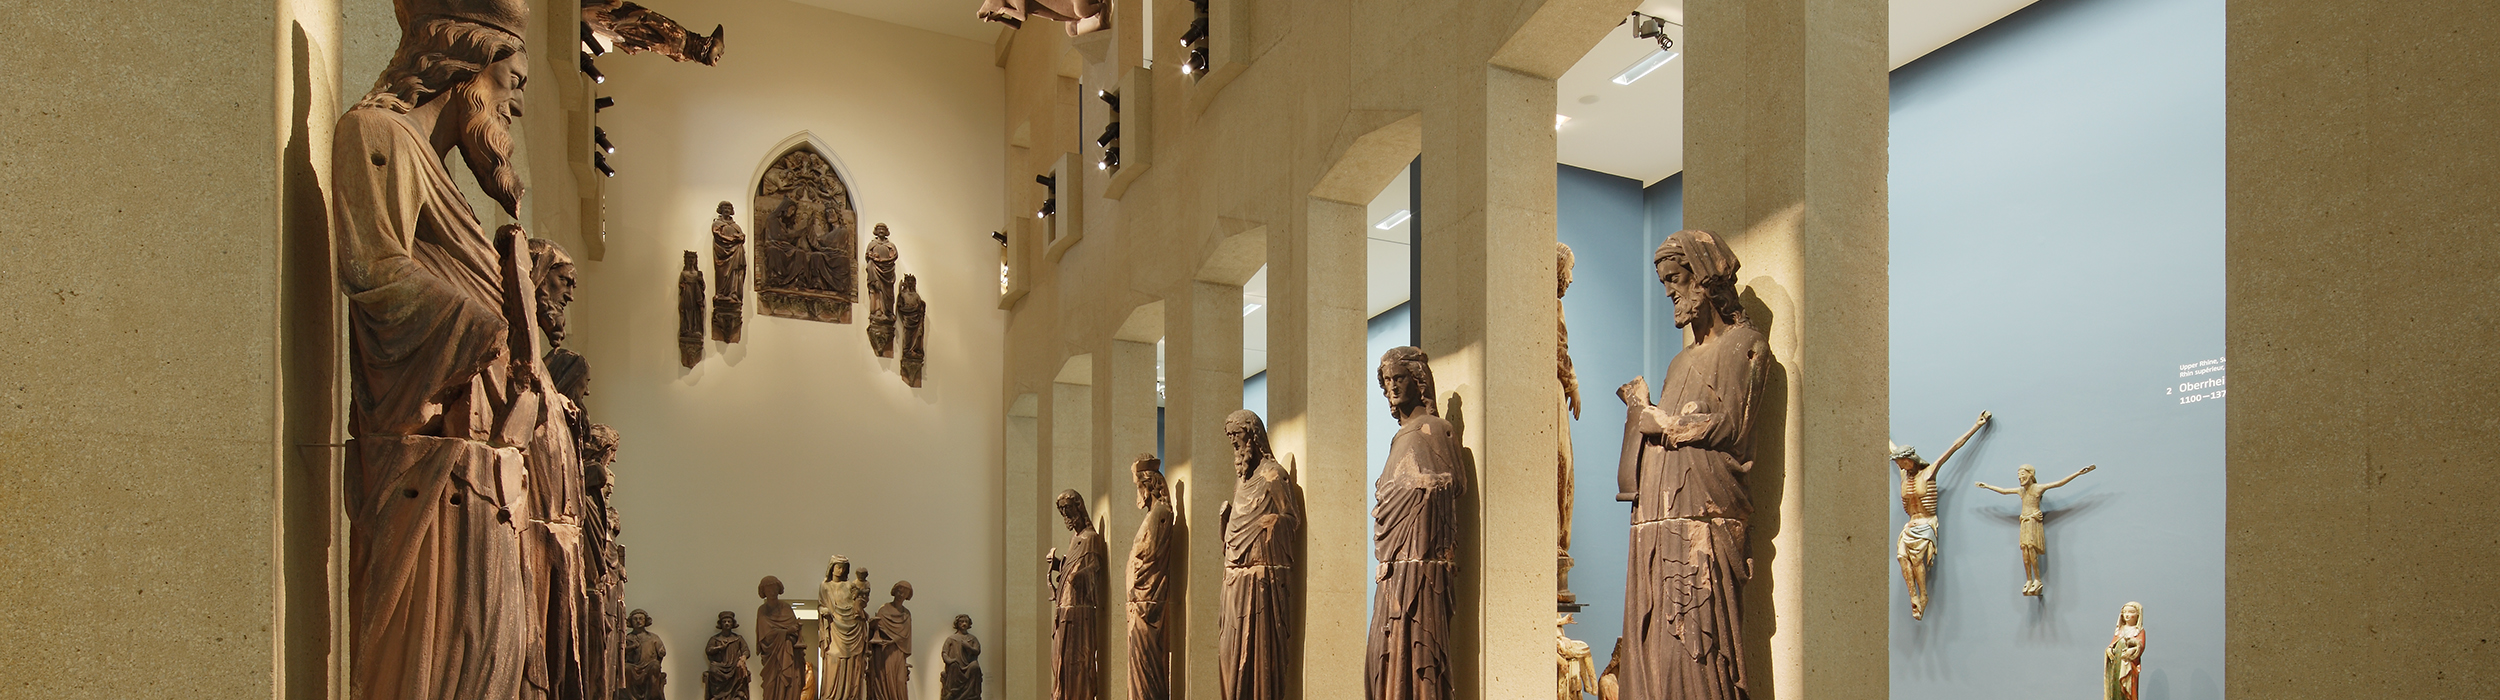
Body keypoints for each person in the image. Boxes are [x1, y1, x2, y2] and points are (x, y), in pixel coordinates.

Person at [329, 3, 547, 698]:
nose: (516, 105)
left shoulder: (441, 176)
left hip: (479, 477)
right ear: (466, 67)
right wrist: (487, 329)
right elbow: (374, 270)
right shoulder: (377, 134)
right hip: (427, 470)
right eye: (512, 82)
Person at [1614, 230, 1769, 700]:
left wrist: (1664, 423)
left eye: (1675, 279)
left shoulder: (1744, 345)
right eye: (1664, 282)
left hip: (1704, 515)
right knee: (1658, 647)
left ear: (1704, 278)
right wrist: (1641, 414)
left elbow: (1732, 426)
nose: (1669, 292)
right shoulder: (1679, 363)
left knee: (1697, 646)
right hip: (1657, 518)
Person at [1365, 348, 1461, 700]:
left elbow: (1454, 483)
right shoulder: (1401, 437)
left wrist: (1419, 486)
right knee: (1382, 654)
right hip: (1393, 566)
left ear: (1418, 381)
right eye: (1387, 380)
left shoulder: (1436, 429)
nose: (1392, 387)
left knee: (1418, 650)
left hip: (1422, 567)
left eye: (1399, 378)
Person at [1219, 410, 1300, 700]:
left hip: (1261, 585)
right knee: (1229, 654)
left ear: (1253, 435)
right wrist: (1226, 521)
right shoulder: (1242, 481)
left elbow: (1292, 519)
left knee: (1256, 657)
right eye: (1230, 437)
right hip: (1234, 581)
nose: (1234, 443)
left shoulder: (1273, 475)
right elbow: (1232, 538)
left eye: (1237, 435)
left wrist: (1274, 521)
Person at [1889, 411, 1991, 618]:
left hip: (1926, 523)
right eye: (1898, 463)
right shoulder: (1903, 475)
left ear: (1910, 459)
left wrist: (1977, 426)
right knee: (1901, 557)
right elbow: (1890, 447)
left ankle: (1923, 596)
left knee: (1917, 561)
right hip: (1910, 525)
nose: (1900, 466)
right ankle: (1913, 597)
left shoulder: (1929, 472)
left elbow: (1954, 448)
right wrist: (1882, 429)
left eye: (1902, 462)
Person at [1976, 463, 2097, 596]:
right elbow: (2004, 491)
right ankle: (2029, 579)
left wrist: (2078, 473)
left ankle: (2037, 579)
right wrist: (1987, 486)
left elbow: (2059, 483)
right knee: (2025, 551)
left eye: (2022, 474)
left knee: (2031, 547)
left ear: (2030, 475)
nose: (2020, 478)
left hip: (2033, 521)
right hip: (2024, 521)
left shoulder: (2037, 488)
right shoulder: (2021, 491)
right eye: (2018, 476)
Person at [1047, 490, 1106, 700]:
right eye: (1062, 509)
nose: (1066, 513)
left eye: (1068, 508)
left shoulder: (1090, 538)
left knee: (1076, 660)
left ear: (1079, 507)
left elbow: (1094, 567)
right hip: (1065, 607)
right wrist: (1057, 565)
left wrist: (1078, 576)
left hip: (1079, 611)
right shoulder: (1075, 539)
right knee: (1060, 661)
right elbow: (1071, 566)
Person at [1128, 455, 1176, 700]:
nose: (1138, 493)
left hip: (1149, 601)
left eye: (1139, 486)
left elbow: (1151, 553)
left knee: (1148, 666)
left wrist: (1136, 557)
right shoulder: (1152, 515)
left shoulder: (1160, 513)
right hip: (1139, 601)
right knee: (1139, 667)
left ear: (1148, 485)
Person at [820, 557, 870, 700]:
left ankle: (851, 694)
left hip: (853, 625)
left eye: (843, 567)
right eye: (838, 567)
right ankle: (832, 695)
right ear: (832, 568)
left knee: (853, 661)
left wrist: (861, 599)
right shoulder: (825, 586)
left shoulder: (849, 585)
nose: (840, 570)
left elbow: (860, 600)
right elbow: (821, 604)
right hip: (834, 627)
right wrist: (823, 610)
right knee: (834, 659)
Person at [867, 581, 915, 700]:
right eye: (899, 591)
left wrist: (894, 640)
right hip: (884, 650)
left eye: (904, 593)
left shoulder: (906, 614)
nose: (901, 595)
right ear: (894, 591)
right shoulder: (884, 610)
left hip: (898, 650)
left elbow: (905, 636)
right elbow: (878, 630)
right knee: (885, 677)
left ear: (907, 596)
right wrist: (873, 627)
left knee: (899, 680)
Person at [2104, 602, 2146, 700]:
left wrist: (2132, 649)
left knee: (2127, 688)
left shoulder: (2139, 631)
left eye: (2131, 612)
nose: (2127, 615)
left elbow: (2140, 646)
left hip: (2128, 665)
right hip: (2116, 663)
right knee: (2115, 686)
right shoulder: (2120, 630)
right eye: (2125, 612)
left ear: (2138, 614)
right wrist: (2109, 649)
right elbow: (2113, 643)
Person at [705, 612, 752, 700]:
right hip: (720, 665)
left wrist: (743, 658)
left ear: (733, 624)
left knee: (739, 669)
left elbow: (746, 651)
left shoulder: (738, 638)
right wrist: (719, 648)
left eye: (729, 621)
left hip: (733, 665)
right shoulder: (715, 639)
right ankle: (718, 696)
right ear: (721, 624)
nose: (727, 623)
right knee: (713, 669)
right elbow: (708, 650)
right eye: (724, 621)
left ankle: (737, 694)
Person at [940, 615, 984, 700]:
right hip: (956, 665)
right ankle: (952, 693)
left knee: (975, 666)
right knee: (954, 665)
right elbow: (944, 652)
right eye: (961, 621)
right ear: (957, 623)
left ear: (969, 624)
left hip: (968, 665)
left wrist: (968, 647)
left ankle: (972, 695)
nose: (964, 624)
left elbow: (977, 651)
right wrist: (949, 660)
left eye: (966, 622)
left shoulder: (972, 638)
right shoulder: (951, 638)